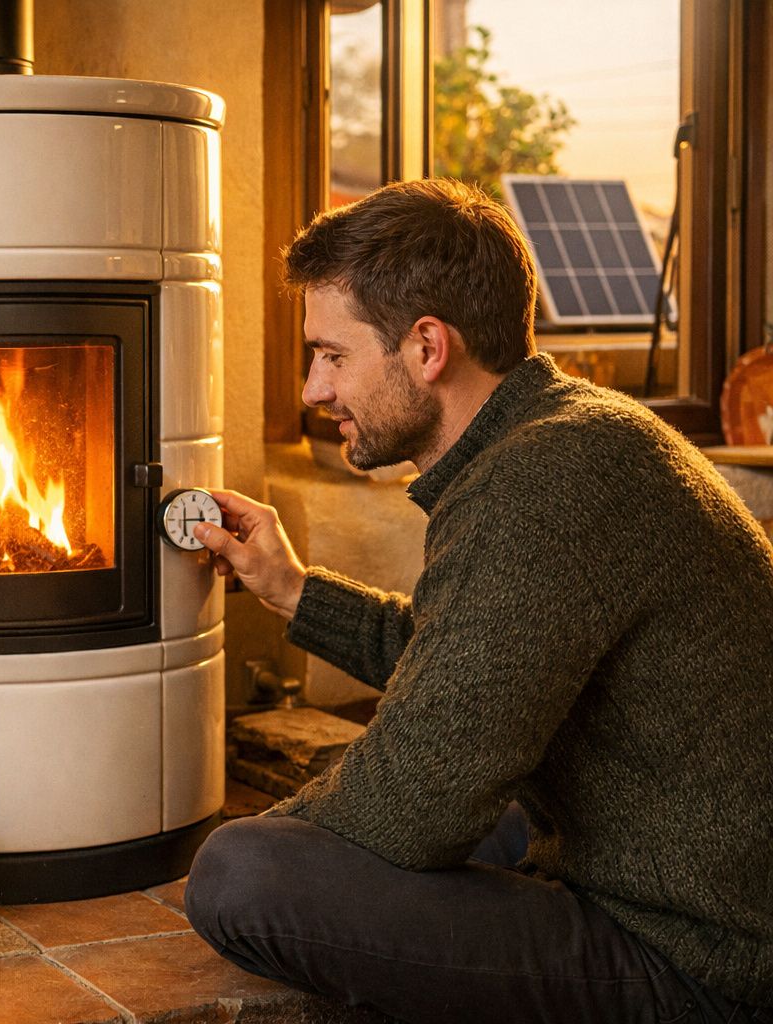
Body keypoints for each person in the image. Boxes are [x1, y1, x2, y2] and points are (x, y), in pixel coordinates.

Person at [184, 178, 773, 1023]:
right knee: (349, 805)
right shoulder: (568, 433)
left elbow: (408, 812)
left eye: (333, 355)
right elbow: (468, 657)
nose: (315, 389)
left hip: (703, 954)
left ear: (428, 348)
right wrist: (292, 590)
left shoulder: (541, 483)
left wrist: (291, 827)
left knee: (243, 872)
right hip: (682, 865)